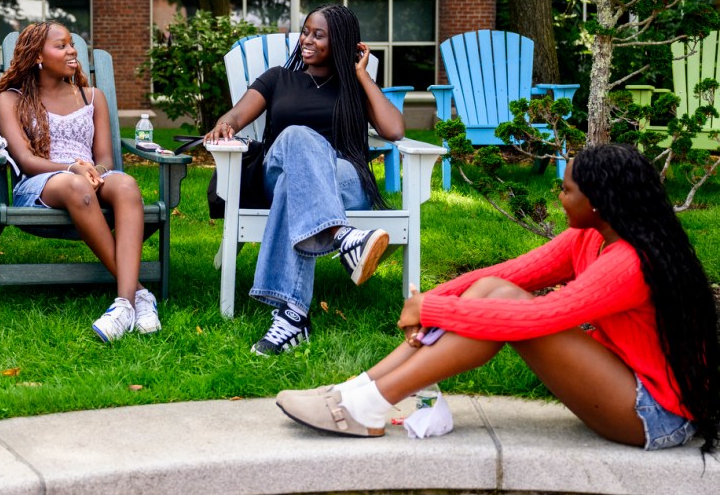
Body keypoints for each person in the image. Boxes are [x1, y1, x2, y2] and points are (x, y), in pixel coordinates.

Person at [276, 143, 720, 453]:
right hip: (624, 382)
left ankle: (366, 405)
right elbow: (501, 274)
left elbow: (540, 318)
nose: (558, 195)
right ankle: (359, 392)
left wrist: (430, 309)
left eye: (567, 190)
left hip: (656, 415)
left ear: (599, 202)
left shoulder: (630, 262)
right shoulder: (590, 237)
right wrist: (428, 300)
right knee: (493, 291)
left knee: (506, 307)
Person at [203, 4, 405, 355]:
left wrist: (362, 75)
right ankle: (345, 239)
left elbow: (394, 129)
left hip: (344, 182)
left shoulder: (354, 86)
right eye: (306, 31)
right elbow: (237, 113)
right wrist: (226, 125)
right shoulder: (278, 78)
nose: (307, 40)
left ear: (339, 42)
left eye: (319, 35)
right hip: (277, 171)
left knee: (291, 187)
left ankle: (292, 318)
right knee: (297, 137)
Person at [0, 21, 159, 341]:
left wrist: (96, 171)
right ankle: (139, 294)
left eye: (71, 44)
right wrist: (73, 169)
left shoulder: (92, 96)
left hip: (89, 176)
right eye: (61, 45)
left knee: (127, 185)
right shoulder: (11, 100)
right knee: (75, 185)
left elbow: (105, 156)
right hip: (41, 182)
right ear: (37, 55)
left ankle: (125, 304)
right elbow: (25, 160)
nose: (71, 51)